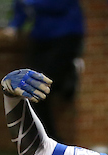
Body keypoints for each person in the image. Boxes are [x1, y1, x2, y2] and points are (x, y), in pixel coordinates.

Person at [6, 0, 85, 140]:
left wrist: (32, 3)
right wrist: (15, 24)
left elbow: (59, 5)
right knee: (32, 88)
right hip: (41, 36)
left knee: (48, 84)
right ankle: (48, 139)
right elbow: (21, 7)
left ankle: (69, 77)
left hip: (65, 34)